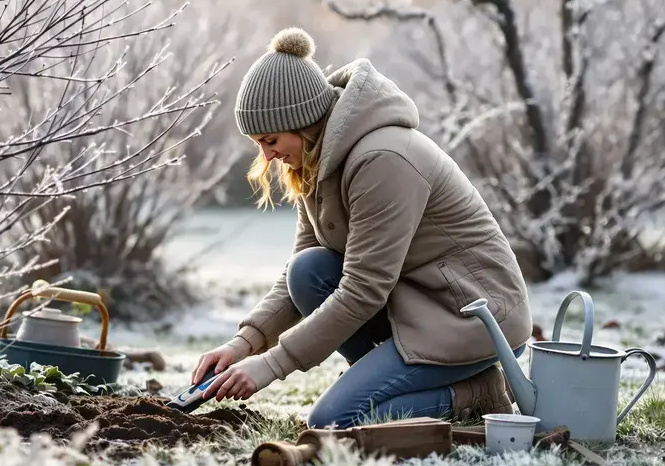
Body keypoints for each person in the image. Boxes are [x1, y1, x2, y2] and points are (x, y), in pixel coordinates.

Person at [193, 27, 533, 429]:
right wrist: (244, 343)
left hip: (471, 318)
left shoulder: (382, 159)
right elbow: (300, 271)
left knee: (334, 421)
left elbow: (364, 287)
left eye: (271, 139)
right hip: (416, 306)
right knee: (309, 270)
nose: (267, 156)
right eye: (258, 144)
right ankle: (396, 380)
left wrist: (272, 364)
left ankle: (477, 392)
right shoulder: (316, 161)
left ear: (302, 122)